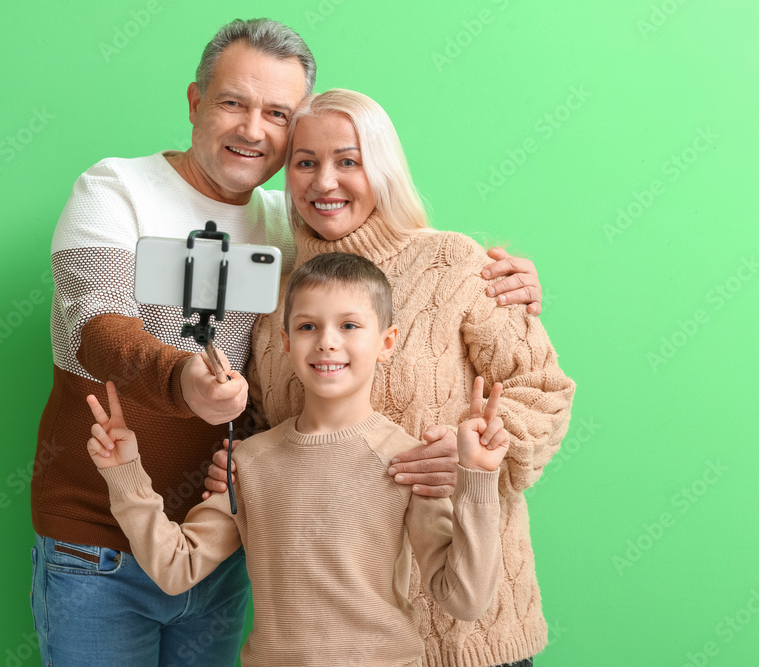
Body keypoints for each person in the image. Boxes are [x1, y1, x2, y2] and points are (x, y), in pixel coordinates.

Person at [30, 18, 545, 667]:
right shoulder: (115, 190)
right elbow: (96, 325)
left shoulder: (290, 230)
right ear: (195, 102)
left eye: (277, 113)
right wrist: (190, 394)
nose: (253, 129)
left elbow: (416, 287)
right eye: (233, 103)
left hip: (246, 561)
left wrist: (503, 285)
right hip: (106, 543)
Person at [204, 89, 576, 667]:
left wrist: (475, 456)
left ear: (382, 167)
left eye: (348, 161)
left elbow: (544, 393)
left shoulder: (456, 263)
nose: (325, 182)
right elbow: (270, 430)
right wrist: (239, 463)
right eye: (306, 163)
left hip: (466, 634)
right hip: (337, 646)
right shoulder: (274, 295)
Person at [88, 252, 512, 667]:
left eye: (349, 325)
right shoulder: (250, 462)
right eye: (309, 326)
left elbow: (465, 599)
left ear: (386, 343)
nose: (327, 340)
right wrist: (125, 475)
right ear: (287, 343)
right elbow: (176, 567)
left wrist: (478, 479)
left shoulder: (407, 461)